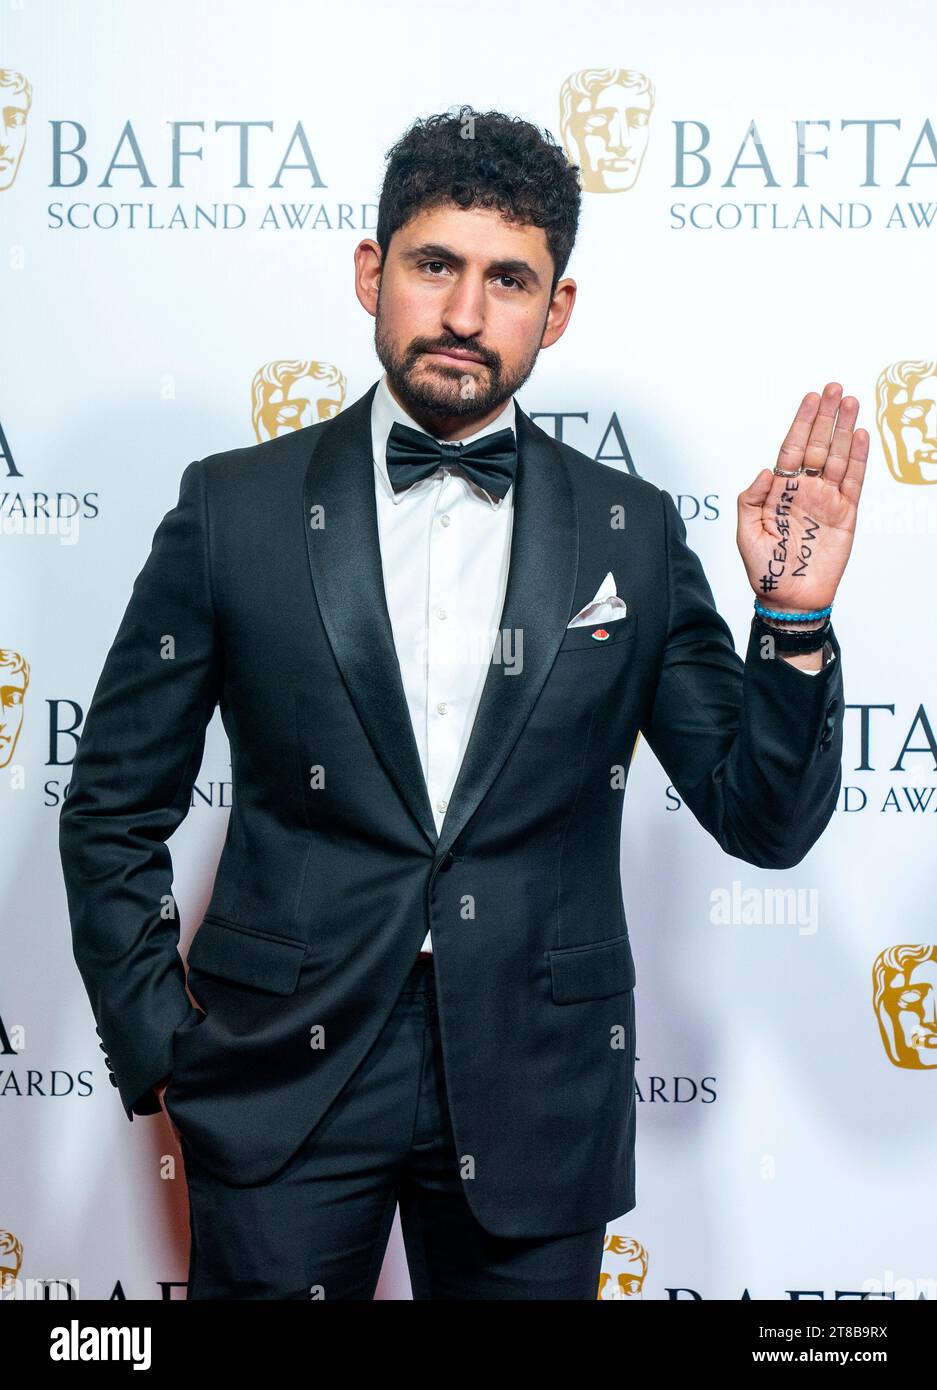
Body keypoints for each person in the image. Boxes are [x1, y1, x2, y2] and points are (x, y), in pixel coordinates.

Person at [58, 104, 866, 1300]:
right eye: (435, 265)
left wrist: (790, 619)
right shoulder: (234, 510)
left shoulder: (628, 534)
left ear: (558, 308)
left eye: (508, 279)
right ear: (372, 272)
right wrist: (165, 1050)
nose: (464, 312)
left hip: (540, 1081)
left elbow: (763, 817)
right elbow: (114, 807)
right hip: (281, 1074)